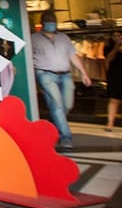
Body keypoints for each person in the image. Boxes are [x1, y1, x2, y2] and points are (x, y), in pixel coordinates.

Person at [30, 11, 91, 150]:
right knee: (57, 105)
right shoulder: (34, 38)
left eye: (53, 21)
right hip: (45, 74)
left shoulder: (64, 38)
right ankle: (66, 137)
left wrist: (84, 73)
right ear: (43, 23)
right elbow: (28, 57)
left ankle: (53, 127)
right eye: (49, 21)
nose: (51, 24)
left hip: (65, 74)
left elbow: (73, 56)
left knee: (67, 105)